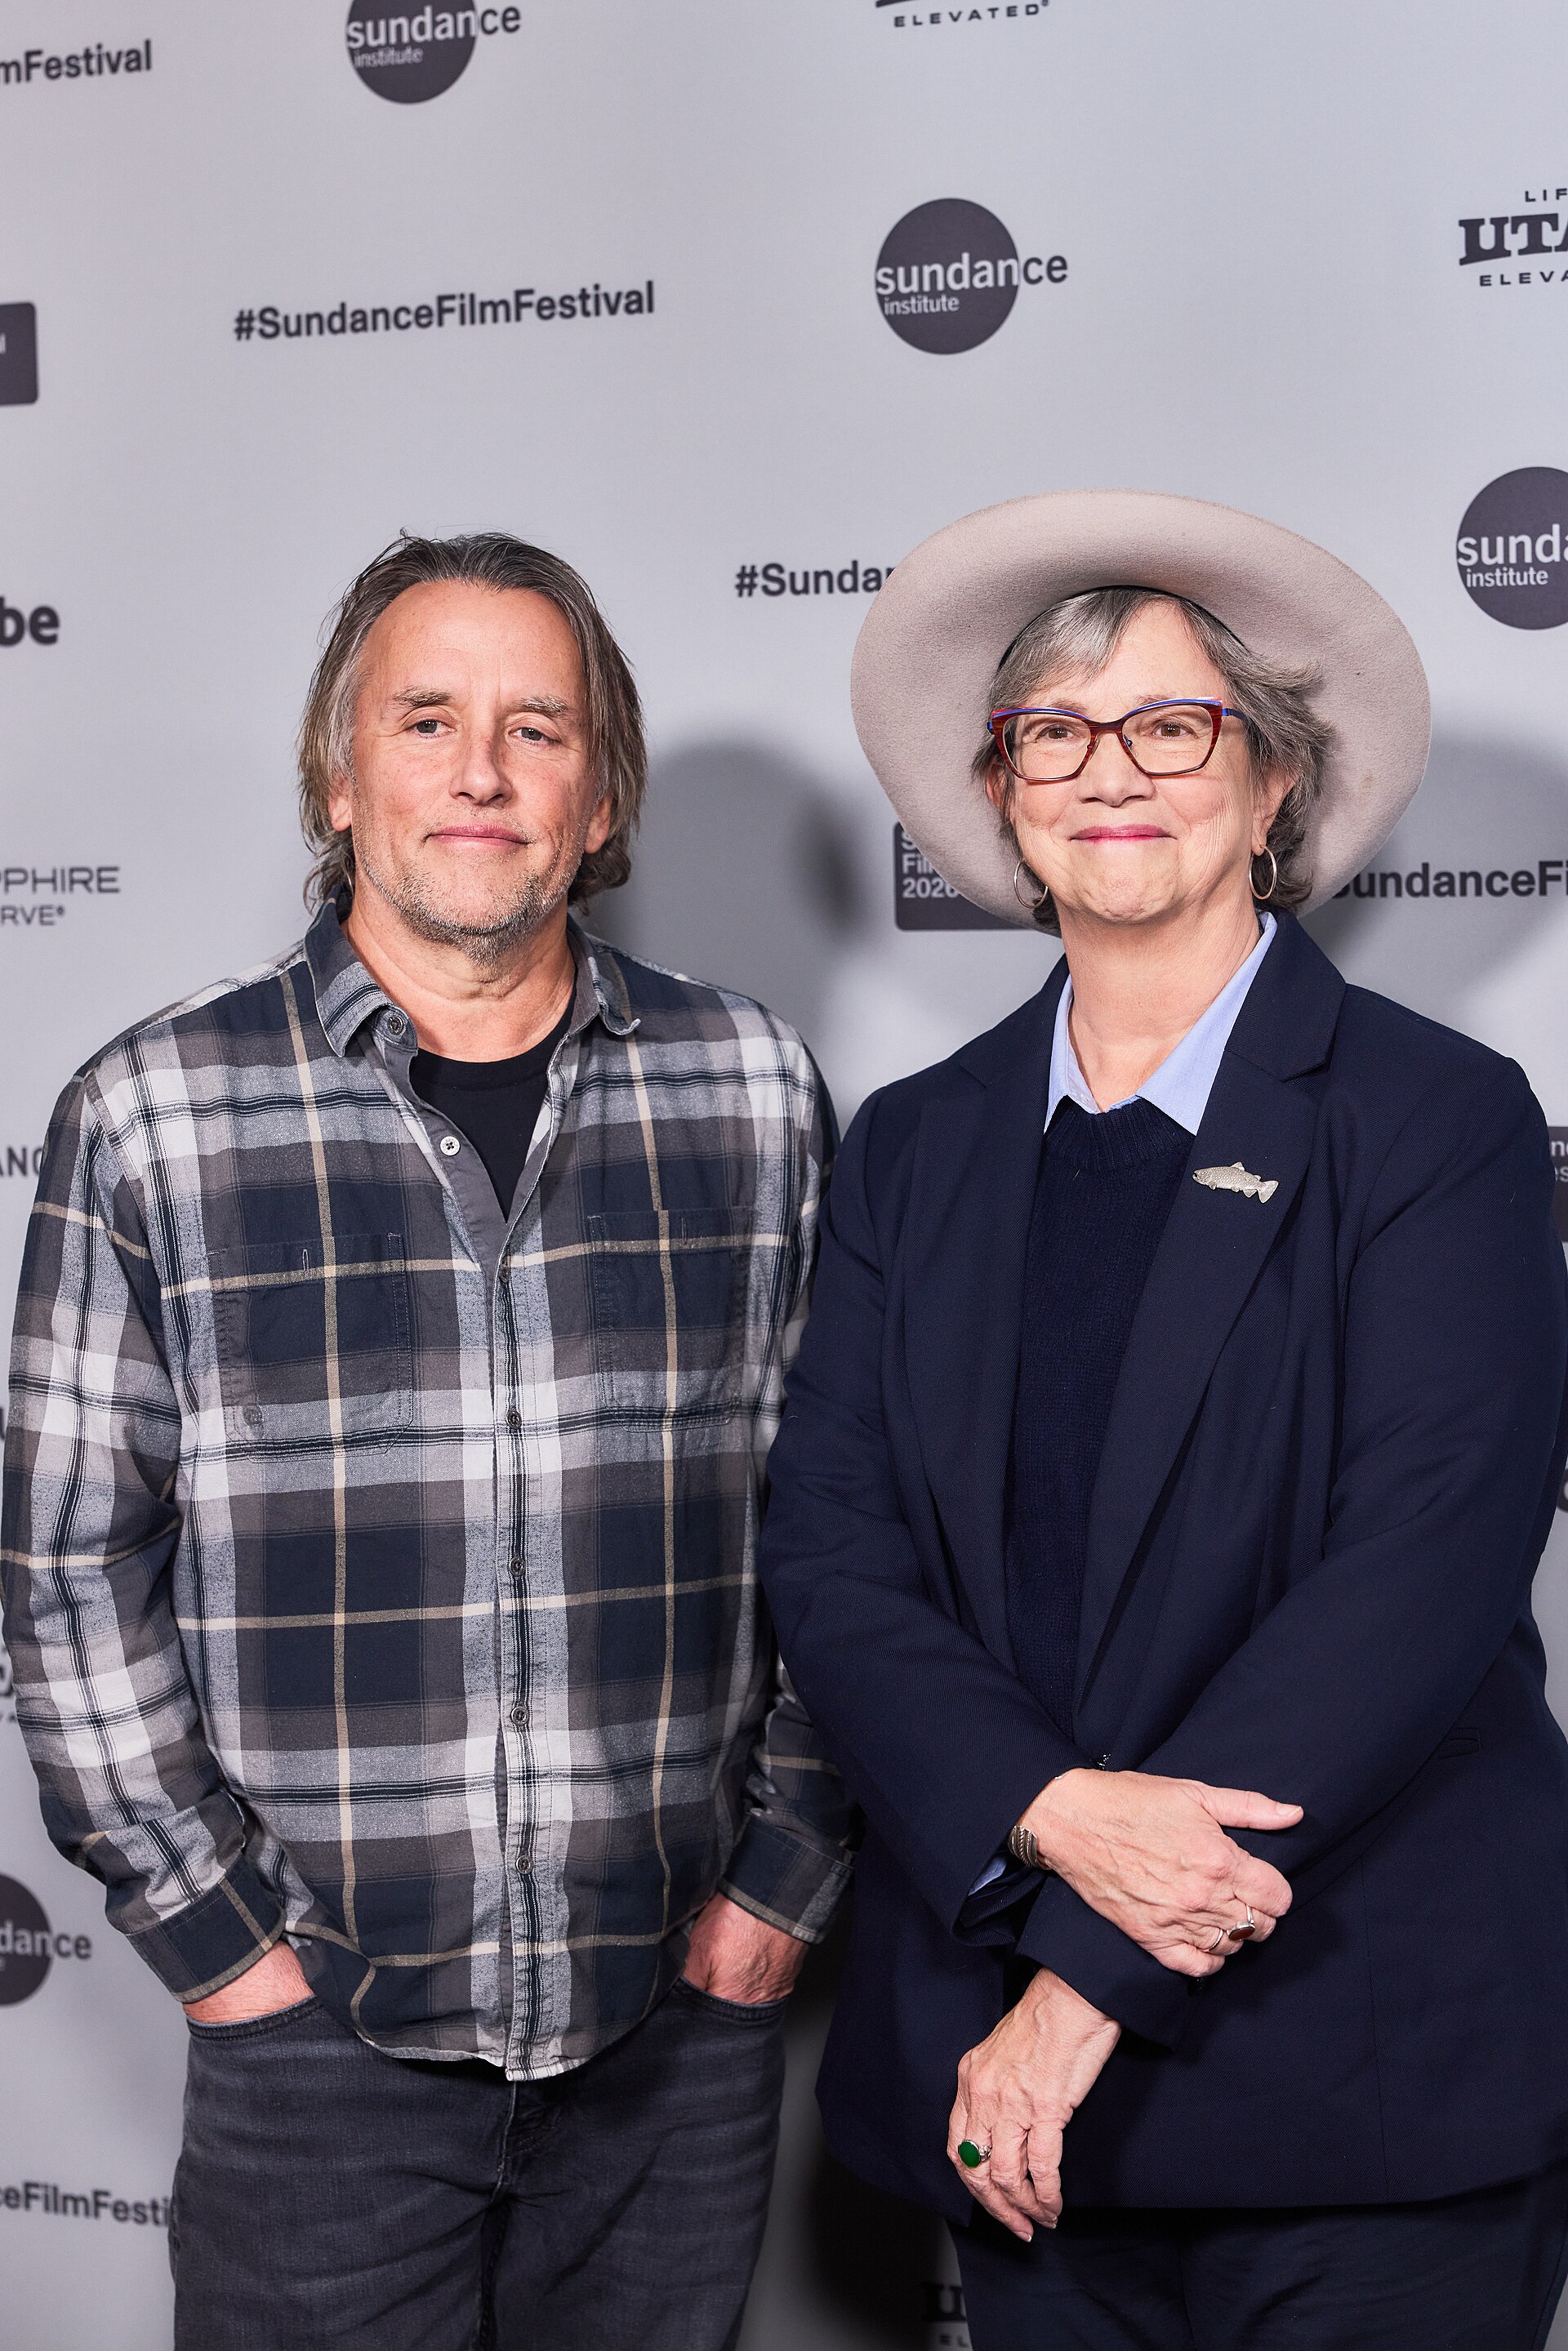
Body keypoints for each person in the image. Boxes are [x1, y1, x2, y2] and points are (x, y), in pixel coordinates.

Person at [1, 531, 852, 2351]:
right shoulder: (155, 1115)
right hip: (320, 2045)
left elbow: (841, 1513)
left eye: (538, 727)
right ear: (340, 776)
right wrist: (222, 1948)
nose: (482, 771)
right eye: (427, 720)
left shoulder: (755, 1092)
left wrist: (781, 1881)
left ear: (600, 796)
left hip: (673, 2027)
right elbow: (67, 1567)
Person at [760, 490, 1568, 2349]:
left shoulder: (1437, 1121)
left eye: (1172, 725)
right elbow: (833, 1555)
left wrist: (1082, 1989)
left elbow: (1416, 1582)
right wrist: (1041, 1809)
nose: (1109, 772)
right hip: (1020, 2111)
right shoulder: (915, 1148)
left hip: (1360, 2075)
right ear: (1004, 790)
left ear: (1273, 779)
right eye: (1054, 732)